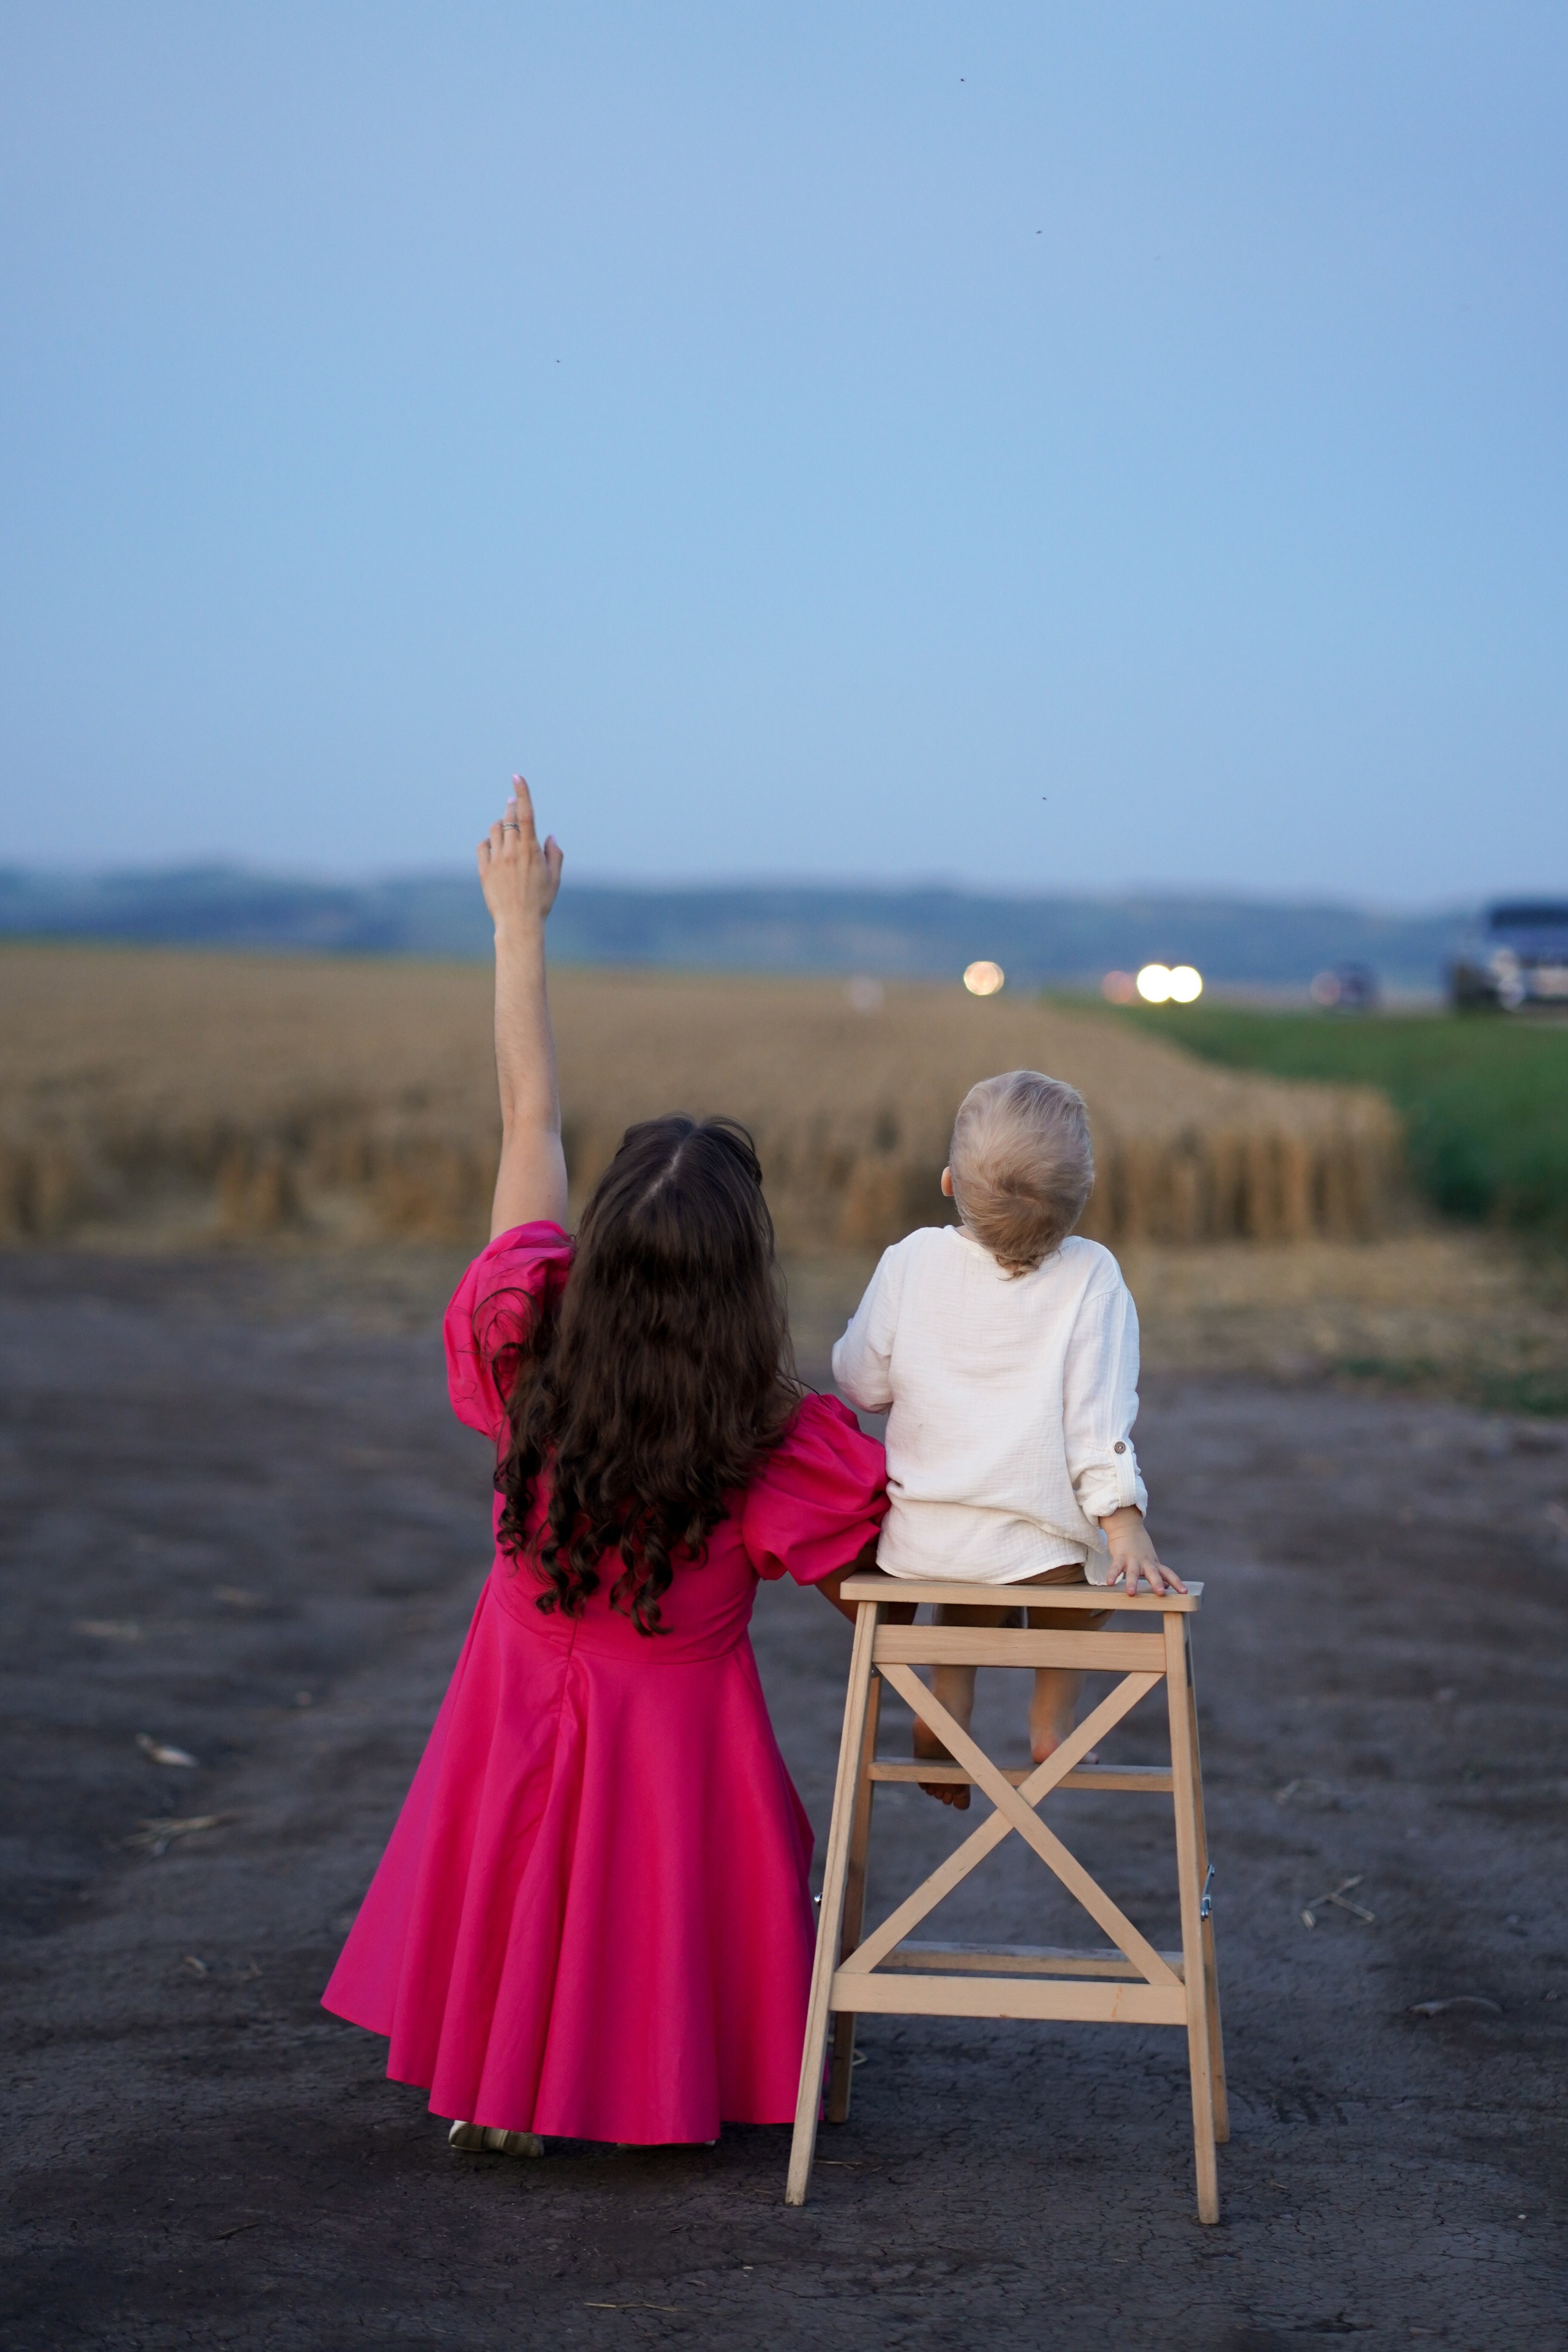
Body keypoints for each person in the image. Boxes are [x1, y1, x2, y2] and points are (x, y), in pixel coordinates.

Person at [322, 780, 888, 2150]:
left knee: (521, 1824)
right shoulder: (772, 1446)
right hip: (676, 1751)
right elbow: (879, 1593)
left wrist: (516, 925)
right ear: (743, 1288)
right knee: (661, 1873)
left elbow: (529, 1121)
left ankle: (502, 2082)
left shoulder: (525, 1339)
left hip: (509, 1699)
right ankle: (640, 2070)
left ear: (604, 1250)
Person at [831, 1068, 1185, 1812]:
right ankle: (1050, 1720)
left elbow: (861, 1384)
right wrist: (1123, 1523)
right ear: (1078, 1201)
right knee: (1077, 1586)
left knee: (969, 1583)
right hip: (1039, 1553)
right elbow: (1098, 1424)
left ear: (950, 1179)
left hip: (927, 1545)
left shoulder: (909, 1260)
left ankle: (945, 1707)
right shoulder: (1092, 1274)